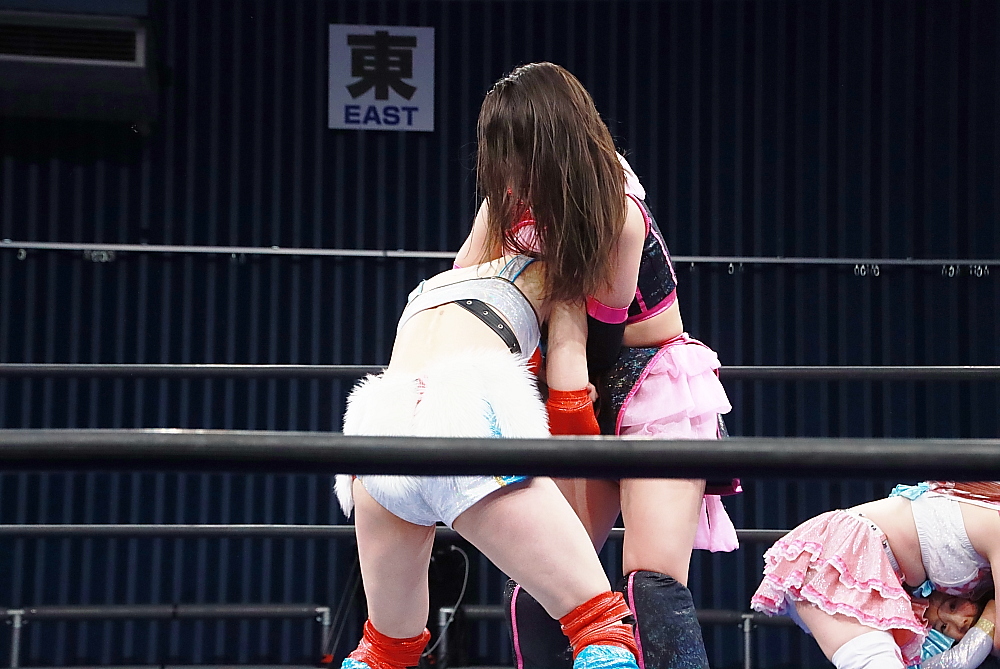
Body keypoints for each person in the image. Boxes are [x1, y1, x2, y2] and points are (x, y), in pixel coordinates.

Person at [454, 61, 737, 669]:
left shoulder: (616, 209)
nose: (505, 173)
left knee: (652, 582)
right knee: (546, 578)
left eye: (513, 154)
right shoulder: (508, 206)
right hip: (568, 375)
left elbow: (600, 339)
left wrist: (552, 342)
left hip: (650, 379)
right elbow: (466, 292)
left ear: (548, 145)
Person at [333, 254, 640, 669]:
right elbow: (569, 400)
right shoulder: (553, 272)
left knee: (383, 651)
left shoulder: (432, 285)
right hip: (463, 417)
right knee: (599, 626)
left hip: (378, 435)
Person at [750, 481, 1000, 669]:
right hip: (843, 556)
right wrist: (990, 613)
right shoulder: (993, 521)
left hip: (865, 567)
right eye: (953, 606)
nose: (958, 621)